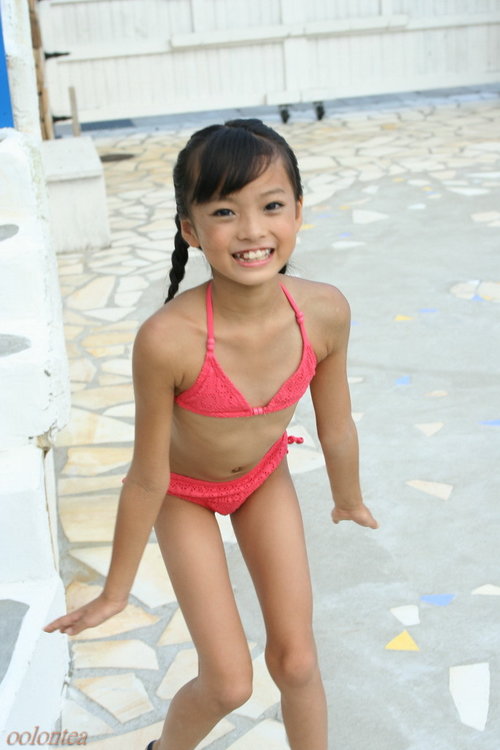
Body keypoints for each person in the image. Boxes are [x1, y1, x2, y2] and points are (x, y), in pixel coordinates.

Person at [45, 118, 378, 750]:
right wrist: (115, 590)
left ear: (298, 211)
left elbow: (335, 426)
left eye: (271, 206)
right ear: (191, 230)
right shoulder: (167, 340)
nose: (252, 230)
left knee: (297, 662)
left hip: (263, 478)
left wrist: (348, 498)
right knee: (228, 683)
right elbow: (147, 475)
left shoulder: (324, 311)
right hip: (182, 494)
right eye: (225, 211)